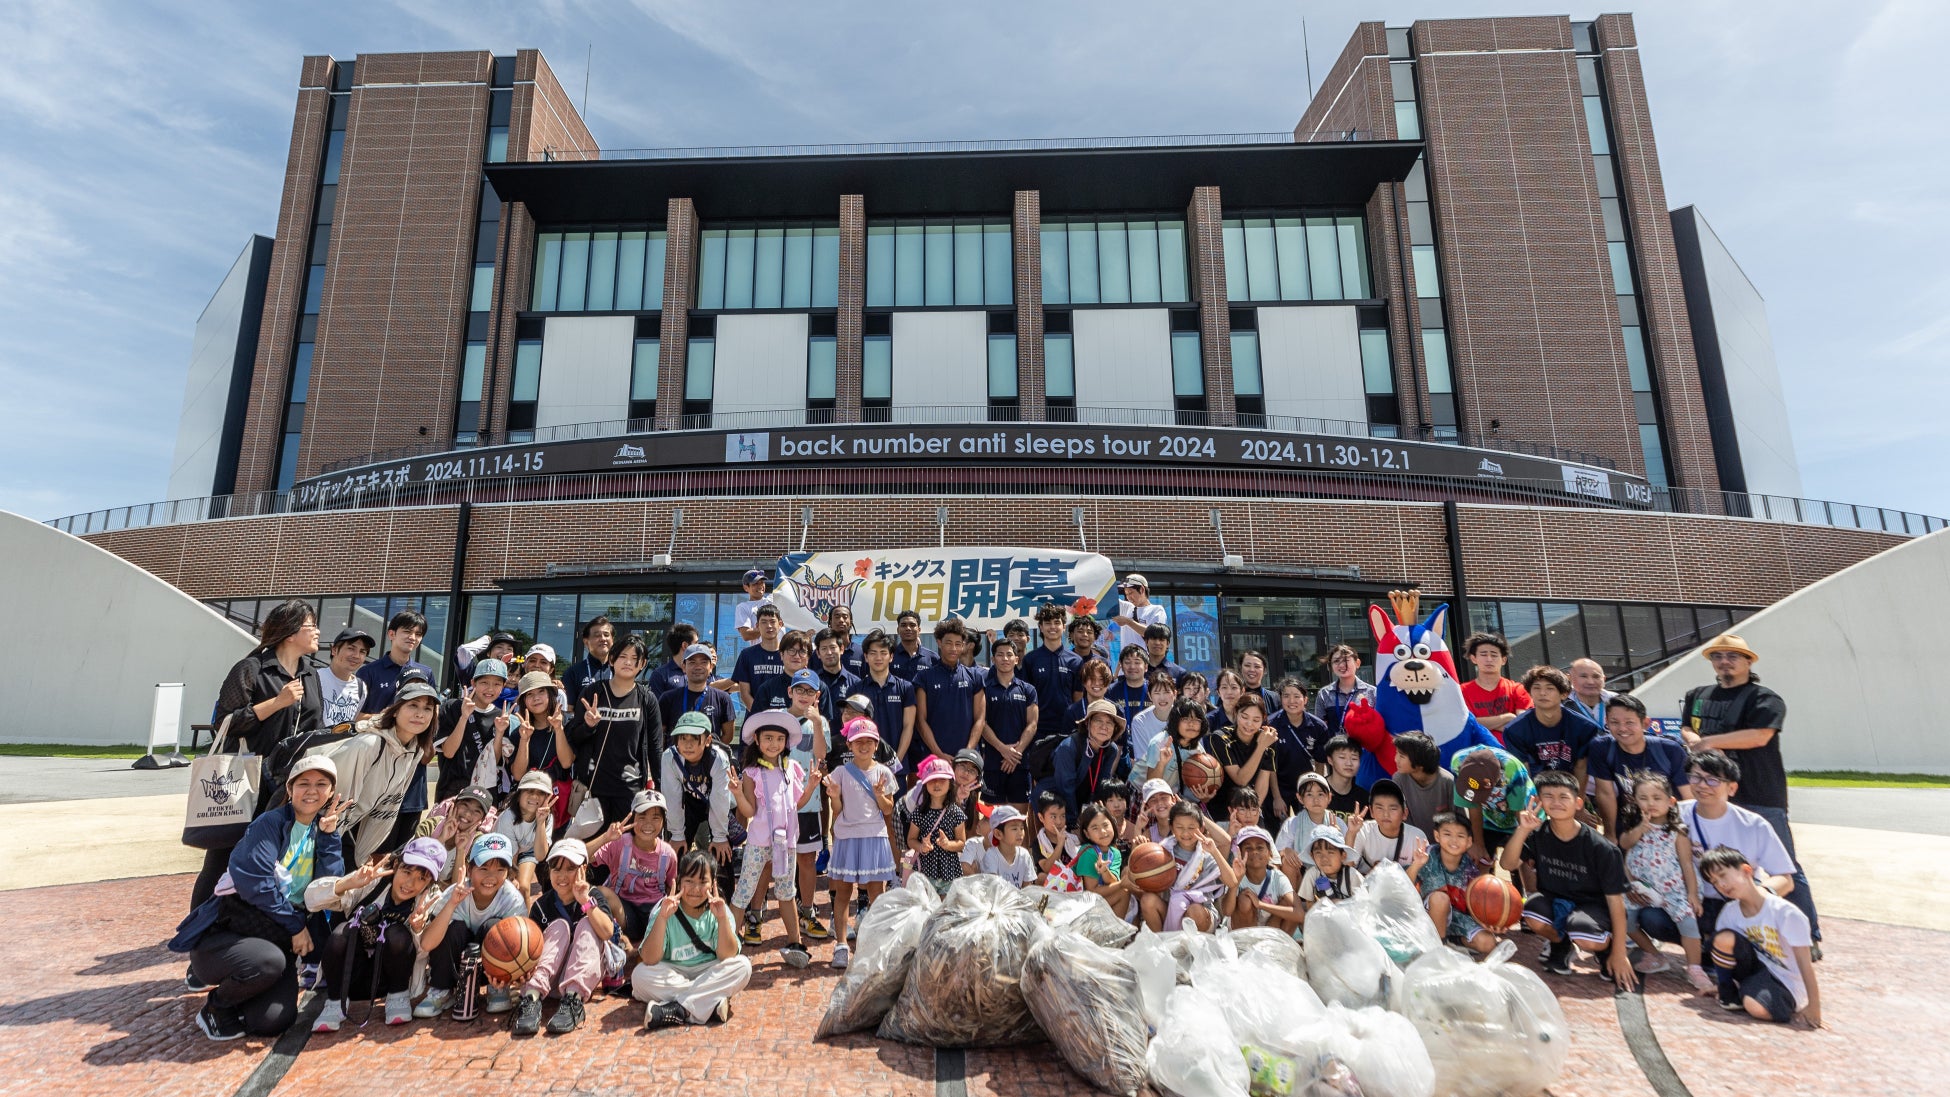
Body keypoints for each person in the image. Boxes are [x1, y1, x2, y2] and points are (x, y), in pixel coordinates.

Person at [171, 755, 343, 1040]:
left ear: (330, 792)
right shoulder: (269, 823)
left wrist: (329, 837)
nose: (312, 790)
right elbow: (256, 882)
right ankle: (217, 1007)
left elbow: (325, 888)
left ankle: (247, 995)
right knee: (269, 963)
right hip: (229, 935)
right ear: (290, 789)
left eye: (321, 784)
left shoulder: (321, 829)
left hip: (272, 936)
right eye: (304, 783)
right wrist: (296, 927)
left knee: (274, 1020)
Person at [191, 599, 324, 928]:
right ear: (291, 632)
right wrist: (276, 704)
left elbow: (313, 726)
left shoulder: (311, 674)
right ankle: (201, 930)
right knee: (224, 856)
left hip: (285, 782)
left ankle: (250, 923)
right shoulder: (251, 668)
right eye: (311, 626)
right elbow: (224, 722)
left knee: (271, 858)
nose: (318, 632)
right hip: (243, 778)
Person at [1678, 633, 1815, 949]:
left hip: (1760, 794)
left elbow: (1760, 735)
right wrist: (1693, 740)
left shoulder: (1763, 698)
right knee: (1725, 865)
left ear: (1748, 661)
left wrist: (1709, 743)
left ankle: (1807, 933)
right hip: (1715, 798)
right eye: (1718, 656)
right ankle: (1735, 927)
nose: (1724, 662)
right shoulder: (1698, 695)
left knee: (1785, 866)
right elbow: (1687, 727)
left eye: (1732, 656)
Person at [1502, 771, 1637, 989]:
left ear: (1578, 803)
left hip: (1593, 909)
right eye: (1548, 796)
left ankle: (1606, 951)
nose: (1556, 802)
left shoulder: (1602, 848)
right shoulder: (1538, 835)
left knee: (1585, 934)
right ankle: (1561, 945)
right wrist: (1522, 829)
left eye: (1563, 797)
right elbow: (1507, 864)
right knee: (1531, 913)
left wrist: (1621, 954)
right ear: (1539, 801)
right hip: (1556, 902)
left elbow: (1616, 903)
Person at [308, 836, 447, 1030]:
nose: (410, 883)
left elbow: (423, 953)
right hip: (350, 977)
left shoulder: (431, 900)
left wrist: (417, 929)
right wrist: (348, 883)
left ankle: (398, 999)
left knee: (397, 934)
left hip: (390, 982)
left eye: (421, 878)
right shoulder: (373, 881)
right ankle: (334, 1002)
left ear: (430, 882)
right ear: (396, 864)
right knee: (340, 934)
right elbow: (311, 900)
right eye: (407, 872)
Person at [1677, 749, 1803, 955]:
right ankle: (1704, 947)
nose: (1702, 785)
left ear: (1732, 788)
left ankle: (1720, 950)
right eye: (1696, 777)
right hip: (1693, 902)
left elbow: (1785, 878)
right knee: (1652, 918)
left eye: (1712, 780)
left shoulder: (1753, 824)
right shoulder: (1677, 814)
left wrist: (1757, 897)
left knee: (1731, 943)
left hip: (1735, 901)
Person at [316, 679, 441, 865]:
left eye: (427, 709)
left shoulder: (415, 750)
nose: (420, 714)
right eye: (413, 705)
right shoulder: (369, 744)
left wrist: (363, 856)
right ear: (396, 709)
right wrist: (326, 851)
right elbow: (331, 802)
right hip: (322, 829)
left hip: (350, 828)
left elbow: (391, 804)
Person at [729, 709, 815, 967]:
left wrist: (811, 786)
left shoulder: (793, 769)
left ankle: (795, 941)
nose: (773, 744)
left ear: (786, 742)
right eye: (767, 738)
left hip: (786, 844)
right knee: (744, 890)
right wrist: (737, 794)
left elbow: (797, 803)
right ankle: (729, 940)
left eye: (779, 739)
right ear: (757, 740)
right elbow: (749, 811)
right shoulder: (752, 773)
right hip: (758, 842)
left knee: (786, 892)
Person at [1701, 847, 1821, 1027]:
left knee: (1756, 1008)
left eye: (1723, 875)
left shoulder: (1785, 913)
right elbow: (1725, 950)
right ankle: (1729, 992)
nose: (1721, 885)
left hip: (1784, 981)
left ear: (1747, 870)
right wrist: (1723, 982)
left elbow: (1805, 963)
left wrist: (1814, 1006)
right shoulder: (1730, 912)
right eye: (1715, 882)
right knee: (1723, 938)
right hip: (1754, 970)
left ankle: (1748, 995)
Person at [414, 832, 529, 1018]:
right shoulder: (454, 893)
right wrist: (451, 904)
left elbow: (523, 944)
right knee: (454, 927)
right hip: (454, 967)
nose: (492, 876)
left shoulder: (512, 899)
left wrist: (514, 975)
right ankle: (441, 990)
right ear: (469, 869)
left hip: (490, 970)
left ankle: (497, 989)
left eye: (500, 870)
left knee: (497, 928)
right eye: (484, 868)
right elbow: (427, 944)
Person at [510, 837, 617, 1035]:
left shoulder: (593, 896)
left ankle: (573, 1001)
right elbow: (530, 950)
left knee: (587, 923)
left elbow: (607, 932)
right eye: (556, 869)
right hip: (548, 980)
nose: (562, 876)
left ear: (583, 869)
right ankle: (531, 999)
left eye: (570, 868)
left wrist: (585, 901)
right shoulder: (542, 905)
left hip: (581, 977)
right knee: (559, 926)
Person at [635, 849, 753, 1028]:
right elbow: (650, 958)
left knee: (743, 966)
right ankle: (708, 1003)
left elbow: (727, 956)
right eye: (689, 881)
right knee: (639, 975)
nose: (696, 889)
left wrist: (721, 919)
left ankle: (678, 1010)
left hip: (709, 969)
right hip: (673, 970)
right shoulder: (664, 908)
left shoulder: (720, 909)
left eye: (702, 881)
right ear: (678, 881)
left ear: (713, 883)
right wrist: (662, 918)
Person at [1616, 771, 1712, 990]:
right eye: (1643, 798)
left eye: (1657, 798)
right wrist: (1640, 828)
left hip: (1673, 888)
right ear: (1634, 800)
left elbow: (1687, 864)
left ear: (1670, 802)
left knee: (1687, 921)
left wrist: (1691, 893)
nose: (1650, 803)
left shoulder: (1678, 830)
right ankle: (1654, 955)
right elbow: (1624, 844)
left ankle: (1695, 968)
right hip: (1640, 887)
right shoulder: (1633, 824)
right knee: (1626, 922)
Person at [823, 717, 899, 966]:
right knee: (843, 892)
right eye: (858, 742)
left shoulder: (884, 773)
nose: (864, 746)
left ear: (876, 745)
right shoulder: (841, 773)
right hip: (847, 837)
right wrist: (834, 796)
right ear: (849, 745)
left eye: (869, 742)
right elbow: (837, 807)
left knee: (877, 892)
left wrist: (879, 794)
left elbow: (887, 810)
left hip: (874, 838)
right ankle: (842, 944)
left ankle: (876, 942)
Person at [571, 634, 665, 827]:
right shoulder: (593, 692)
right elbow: (573, 737)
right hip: (594, 785)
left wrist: (659, 784)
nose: (628, 662)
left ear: (643, 664)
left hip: (630, 787)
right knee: (591, 848)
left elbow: (655, 745)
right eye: (623, 656)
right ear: (612, 660)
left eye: (634, 658)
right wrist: (589, 726)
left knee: (624, 845)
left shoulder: (647, 699)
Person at [585, 789, 677, 950]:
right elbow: (581, 856)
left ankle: (647, 950)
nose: (648, 824)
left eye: (656, 818)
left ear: (663, 821)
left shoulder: (667, 854)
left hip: (654, 914)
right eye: (642, 817)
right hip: (624, 912)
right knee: (598, 893)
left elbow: (672, 887)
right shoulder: (620, 843)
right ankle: (616, 938)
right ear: (633, 818)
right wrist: (606, 837)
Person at [1588, 692, 1692, 835]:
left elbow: (1688, 796)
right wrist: (1611, 834)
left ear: (1645, 723)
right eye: (1615, 722)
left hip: (1670, 824)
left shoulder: (1670, 750)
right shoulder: (1601, 748)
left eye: (1629, 722)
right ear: (1606, 722)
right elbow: (1605, 794)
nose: (1622, 728)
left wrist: (1691, 832)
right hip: (1629, 823)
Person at [781, 669, 833, 942]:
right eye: (799, 690)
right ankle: (756, 914)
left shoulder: (820, 721)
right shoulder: (777, 719)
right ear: (790, 692)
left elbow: (822, 757)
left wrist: (814, 723)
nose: (803, 696)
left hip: (809, 803)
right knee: (775, 858)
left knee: (806, 859)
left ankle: (807, 911)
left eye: (809, 691)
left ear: (817, 696)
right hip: (780, 803)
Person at [1407, 812, 1497, 956]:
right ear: (1437, 836)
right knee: (1440, 899)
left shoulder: (1471, 868)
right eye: (1447, 834)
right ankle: (1438, 950)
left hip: (1456, 917)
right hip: (1426, 916)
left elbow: (1476, 903)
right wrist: (1416, 865)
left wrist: (1490, 921)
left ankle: (1451, 941)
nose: (1454, 840)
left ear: (1469, 842)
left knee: (1488, 943)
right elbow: (1404, 885)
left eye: (1460, 836)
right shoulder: (1426, 856)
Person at [1140, 802, 1236, 932]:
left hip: (1201, 913)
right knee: (1148, 900)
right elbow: (1138, 877)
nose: (1186, 833)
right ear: (1172, 828)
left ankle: (1194, 950)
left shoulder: (1205, 854)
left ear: (1201, 829)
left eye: (1191, 827)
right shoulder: (1163, 850)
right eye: (1180, 827)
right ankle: (1161, 946)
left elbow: (1232, 882)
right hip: (1170, 909)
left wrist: (1214, 851)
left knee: (1194, 910)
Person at [1499, 665, 1602, 786]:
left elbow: (1581, 767)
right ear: (1530, 692)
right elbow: (1523, 773)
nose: (1542, 693)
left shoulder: (1584, 727)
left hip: (1570, 789)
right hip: (1534, 791)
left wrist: (1577, 800)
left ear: (1564, 694)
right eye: (1536, 688)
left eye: (1550, 688)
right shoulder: (1515, 730)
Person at [661, 712, 736, 864]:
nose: (688, 745)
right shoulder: (670, 757)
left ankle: (721, 885)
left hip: (716, 801)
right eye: (683, 738)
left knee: (721, 852)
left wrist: (720, 836)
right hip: (687, 802)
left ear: (707, 740)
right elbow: (672, 797)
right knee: (676, 852)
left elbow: (720, 798)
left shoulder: (718, 757)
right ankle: (676, 885)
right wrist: (677, 834)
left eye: (694, 738)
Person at [435, 659, 513, 805]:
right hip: (451, 792)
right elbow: (448, 752)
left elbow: (494, 762)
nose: (490, 689)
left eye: (497, 684)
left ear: (503, 687)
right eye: (484, 682)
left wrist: (500, 732)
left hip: (484, 795)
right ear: (473, 683)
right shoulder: (453, 707)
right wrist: (464, 717)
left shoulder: (501, 717)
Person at [1040, 698, 1133, 817]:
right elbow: (1065, 789)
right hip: (1055, 803)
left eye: (1109, 723)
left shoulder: (1111, 750)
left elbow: (1102, 786)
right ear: (1087, 724)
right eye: (1098, 721)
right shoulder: (1068, 747)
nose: (1104, 727)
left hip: (1083, 802)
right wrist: (1074, 821)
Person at [977, 637, 1039, 812]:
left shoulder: (1028, 689)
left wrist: (1016, 753)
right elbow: (981, 723)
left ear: (1016, 659)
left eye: (1009, 655)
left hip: (1020, 763)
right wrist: (1003, 749)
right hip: (993, 763)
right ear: (993, 659)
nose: (1005, 659)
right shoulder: (984, 689)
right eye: (1000, 655)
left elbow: (1032, 724)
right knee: (993, 818)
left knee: (1019, 819)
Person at [1451, 744, 1535, 872]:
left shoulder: (1513, 771)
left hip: (1524, 814)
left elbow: (1521, 818)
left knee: (1524, 863)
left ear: (1497, 780)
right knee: (1479, 863)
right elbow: (1474, 807)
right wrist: (1479, 844)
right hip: (1488, 818)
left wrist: (1527, 849)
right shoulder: (1458, 762)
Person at [510, 670, 576, 830]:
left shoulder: (567, 723)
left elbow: (567, 762)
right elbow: (518, 774)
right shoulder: (518, 731)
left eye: (541, 691)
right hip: (528, 805)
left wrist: (558, 729)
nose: (536, 698)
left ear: (551, 695)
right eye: (529, 694)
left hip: (558, 803)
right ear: (523, 701)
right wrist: (524, 739)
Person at [1022, 603, 1083, 774]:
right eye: (1047, 623)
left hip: (1068, 731)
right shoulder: (1031, 659)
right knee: (1039, 778)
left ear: (1064, 627)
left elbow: (1078, 697)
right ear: (1040, 627)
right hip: (1038, 731)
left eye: (1057, 622)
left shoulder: (1075, 661)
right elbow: (1027, 700)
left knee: (1067, 777)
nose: (1052, 627)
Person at [915, 619, 985, 762]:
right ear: (939, 643)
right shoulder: (924, 677)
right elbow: (920, 720)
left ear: (963, 646)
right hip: (934, 758)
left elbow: (980, 719)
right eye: (949, 643)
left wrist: (967, 752)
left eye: (958, 644)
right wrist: (938, 753)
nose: (953, 648)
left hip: (967, 758)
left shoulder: (975, 677)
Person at [854, 629, 917, 770]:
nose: (878, 658)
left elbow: (908, 726)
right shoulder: (856, 690)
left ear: (891, 657)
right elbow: (852, 729)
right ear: (865, 656)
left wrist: (896, 761)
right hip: (864, 767)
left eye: (883, 653)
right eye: (873, 653)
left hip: (897, 766)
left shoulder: (905, 688)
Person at [906, 755, 969, 895]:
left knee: (946, 912)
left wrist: (948, 844)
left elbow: (961, 843)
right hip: (925, 871)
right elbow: (911, 839)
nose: (937, 784)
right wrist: (921, 847)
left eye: (942, 780)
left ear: (950, 783)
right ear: (925, 784)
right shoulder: (920, 812)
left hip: (950, 871)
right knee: (927, 910)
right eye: (932, 780)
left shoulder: (955, 812)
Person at [415, 786, 496, 889]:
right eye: (465, 805)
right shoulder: (430, 826)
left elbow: (457, 887)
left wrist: (461, 850)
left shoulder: (477, 842)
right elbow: (415, 868)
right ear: (453, 805)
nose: (467, 814)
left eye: (477, 811)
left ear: (482, 819)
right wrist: (441, 839)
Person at [659, 642, 737, 745]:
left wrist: (709, 751)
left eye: (703, 662)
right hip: (676, 758)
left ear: (711, 666)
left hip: (710, 759)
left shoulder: (722, 698)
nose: (698, 667)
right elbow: (659, 733)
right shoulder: (668, 698)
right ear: (683, 666)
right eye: (692, 662)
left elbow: (728, 735)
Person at [1269, 677, 1331, 805]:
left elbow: (1320, 762)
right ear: (1281, 699)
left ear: (1305, 699)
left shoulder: (1318, 727)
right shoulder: (1271, 724)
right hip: (1278, 787)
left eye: (1297, 696)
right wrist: (1277, 798)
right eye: (1286, 696)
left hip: (1306, 787)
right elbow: (1269, 765)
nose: (1292, 701)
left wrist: (1316, 789)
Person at [1215, 692, 1278, 818]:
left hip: (1253, 806)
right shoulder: (1220, 737)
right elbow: (1241, 780)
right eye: (1244, 717)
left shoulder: (1268, 738)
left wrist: (1253, 813)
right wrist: (1261, 747)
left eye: (1256, 720)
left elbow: (1263, 779)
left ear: (1263, 719)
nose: (1249, 724)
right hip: (1225, 809)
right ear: (1236, 713)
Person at [356, 610, 429, 715]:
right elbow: (354, 715)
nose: (413, 638)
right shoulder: (368, 672)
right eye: (407, 631)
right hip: (374, 731)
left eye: (418, 634)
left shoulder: (426, 673)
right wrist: (386, 718)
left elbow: (432, 712)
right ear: (391, 634)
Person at [497, 770, 556, 898]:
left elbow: (540, 856)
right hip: (503, 852)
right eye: (529, 790)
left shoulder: (547, 817)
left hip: (528, 850)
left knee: (524, 887)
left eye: (541, 793)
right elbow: (510, 859)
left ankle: (526, 919)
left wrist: (540, 822)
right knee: (513, 888)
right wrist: (513, 878)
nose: (535, 797)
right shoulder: (508, 818)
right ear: (519, 795)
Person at [1347, 779, 1428, 874]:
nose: (1386, 814)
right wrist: (1351, 834)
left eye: (1393, 809)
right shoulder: (1363, 830)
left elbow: (1424, 880)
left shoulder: (1416, 837)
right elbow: (1347, 871)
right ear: (1372, 811)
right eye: (1379, 808)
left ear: (1404, 813)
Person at [1229, 826, 1300, 934]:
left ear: (1270, 853)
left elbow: (1300, 914)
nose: (1255, 852)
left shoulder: (1277, 877)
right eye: (1248, 848)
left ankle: (1275, 946)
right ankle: (1248, 946)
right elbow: (1227, 911)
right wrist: (1236, 882)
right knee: (1245, 900)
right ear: (1240, 853)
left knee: (1287, 902)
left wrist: (1260, 904)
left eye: (1260, 848)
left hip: (1271, 926)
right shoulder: (1236, 875)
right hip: (1243, 930)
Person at [1275, 771, 1343, 884]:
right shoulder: (1293, 823)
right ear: (1300, 798)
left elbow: (1347, 856)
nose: (1315, 800)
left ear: (1329, 797)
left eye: (1320, 794)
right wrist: (1285, 851)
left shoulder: (1337, 822)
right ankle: (1293, 900)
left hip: (1330, 874)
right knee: (1287, 862)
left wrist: (1336, 837)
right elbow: (1276, 854)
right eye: (1309, 794)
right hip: (1302, 874)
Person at [1459, 633, 1530, 735]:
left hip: (1512, 749)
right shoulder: (1461, 691)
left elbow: (1523, 723)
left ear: (1504, 660)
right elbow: (1464, 724)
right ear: (1473, 658)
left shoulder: (1517, 689)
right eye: (1483, 654)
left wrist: (1482, 723)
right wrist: (1508, 717)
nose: (1489, 659)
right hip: (1477, 749)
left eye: (1494, 655)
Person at [1074, 802, 1135, 919]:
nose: (1102, 831)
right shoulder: (1089, 852)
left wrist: (1105, 871)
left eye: (1106, 825)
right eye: (1095, 828)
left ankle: (1114, 932)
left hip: (1097, 901)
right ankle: (1115, 932)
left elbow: (1112, 882)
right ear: (1087, 833)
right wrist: (1122, 884)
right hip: (1082, 905)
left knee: (1124, 891)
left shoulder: (1115, 852)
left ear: (1113, 825)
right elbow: (1092, 892)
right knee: (1124, 891)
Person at [1391, 731, 1455, 838]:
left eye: (1402, 756)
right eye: (1397, 753)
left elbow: (1459, 818)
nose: (1396, 759)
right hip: (1412, 842)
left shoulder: (1446, 781)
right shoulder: (1399, 779)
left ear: (1419, 763)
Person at [1312, 644, 1377, 739]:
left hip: (1365, 749)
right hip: (1336, 750)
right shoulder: (1324, 694)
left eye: (1346, 660)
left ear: (1357, 663)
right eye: (1336, 661)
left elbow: (1378, 724)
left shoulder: (1372, 692)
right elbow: (1320, 728)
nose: (1341, 665)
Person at [729, 605, 787, 710]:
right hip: (755, 717)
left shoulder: (790, 655)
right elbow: (745, 694)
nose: (769, 626)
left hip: (786, 718)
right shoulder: (746, 655)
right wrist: (760, 716)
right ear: (757, 626)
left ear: (780, 624)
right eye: (764, 622)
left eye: (773, 621)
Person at [1297, 824, 1363, 913]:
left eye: (1330, 852)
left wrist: (1339, 904)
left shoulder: (1352, 875)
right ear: (1312, 856)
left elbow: (1363, 903)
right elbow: (1309, 902)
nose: (1324, 858)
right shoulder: (1312, 874)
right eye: (1318, 853)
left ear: (1343, 856)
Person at [813, 627, 864, 738]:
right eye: (824, 649)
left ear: (841, 649)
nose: (829, 652)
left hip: (847, 744)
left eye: (832, 647)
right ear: (818, 653)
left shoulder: (856, 683)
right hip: (817, 743)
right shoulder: (812, 683)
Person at [317, 628, 373, 728]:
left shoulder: (361, 687)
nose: (356, 656)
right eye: (351, 649)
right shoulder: (316, 678)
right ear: (334, 650)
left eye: (362, 652)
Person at [1128, 671, 1179, 778]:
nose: (1162, 698)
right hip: (1151, 777)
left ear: (1174, 694)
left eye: (1166, 692)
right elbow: (1142, 760)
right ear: (1150, 696)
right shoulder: (1140, 721)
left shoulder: (1184, 717)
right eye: (1157, 693)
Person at [751, 630, 812, 713]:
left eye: (802, 652)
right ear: (781, 655)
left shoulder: (819, 688)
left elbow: (826, 724)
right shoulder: (767, 689)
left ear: (808, 657)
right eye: (791, 650)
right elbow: (756, 722)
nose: (797, 656)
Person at [977, 804, 1037, 887]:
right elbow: (993, 889)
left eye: (1022, 828)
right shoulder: (991, 856)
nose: (1020, 833)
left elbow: (1028, 888)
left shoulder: (1024, 855)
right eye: (1014, 829)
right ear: (998, 834)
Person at [561, 616, 614, 706]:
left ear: (612, 640)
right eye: (597, 635)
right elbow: (568, 710)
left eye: (606, 635)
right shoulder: (573, 672)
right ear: (586, 642)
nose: (603, 639)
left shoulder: (620, 669)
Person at [1109, 573, 1167, 653]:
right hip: (1126, 662)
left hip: (1144, 662)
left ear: (1142, 589)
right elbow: (1109, 598)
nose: (1128, 597)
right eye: (1126, 594)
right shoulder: (1127, 607)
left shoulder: (1156, 610)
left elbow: (1154, 634)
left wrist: (1128, 621)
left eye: (1130, 593)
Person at [1031, 789, 1079, 883]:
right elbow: (1047, 869)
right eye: (1053, 817)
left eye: (1063, 816)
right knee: (1041, 877)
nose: (1059, 822)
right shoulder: (1038, 842)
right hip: (1053, 885)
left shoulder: (1072, 839)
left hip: (1072, 880)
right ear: (1041, 818)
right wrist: (1060, 844)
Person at [1106, 645, 1154, 732]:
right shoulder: (1111, 691)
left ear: (1146, 667)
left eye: (1137, 662)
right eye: (1127, 662)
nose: (1132, 667)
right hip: (1120, 743)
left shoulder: (1154, 690)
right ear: (1121, 666)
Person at [1321, 735, 1370, 816]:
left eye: (1354, 758)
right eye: (1342, 757)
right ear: (1330, 760)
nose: (1349, 763)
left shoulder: (1364, 798)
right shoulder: (1317, 791)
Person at [647, 625, 699, 698]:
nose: (699, 647)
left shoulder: (698, 672)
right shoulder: (660, 675)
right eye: (696, 643)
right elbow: (656, 707)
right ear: (685, 645)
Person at [1565, 658, 1615, 728]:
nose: (1590, 682)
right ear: (1570, 678)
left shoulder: (1618, 701)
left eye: (1596, 676)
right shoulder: (1561, 706)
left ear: (1604, 679)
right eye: (1584, 676)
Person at [890, 609, 938, 682]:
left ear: (919, 630)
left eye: (912, 625)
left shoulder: (932, 658)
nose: (908, 628)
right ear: (898, 630)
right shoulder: (889, 656)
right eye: (903, 625)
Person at [732, 569, 773, 642]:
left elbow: (785, 582)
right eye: (755, 584)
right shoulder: (743, 607)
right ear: (746, 587)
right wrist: (773, 627)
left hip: (781, 651)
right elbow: (746, 634)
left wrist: (783, 563)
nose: (760, 586)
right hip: (760, 652)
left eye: (762, 582)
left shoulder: (772, 599)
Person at [1207, 668, 1245, 738]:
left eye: (1234, 687)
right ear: (1218, 692)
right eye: (1224, 687)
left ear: (1242, 691)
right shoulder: (1209, 720)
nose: (1229, 692)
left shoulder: (1249, 717)